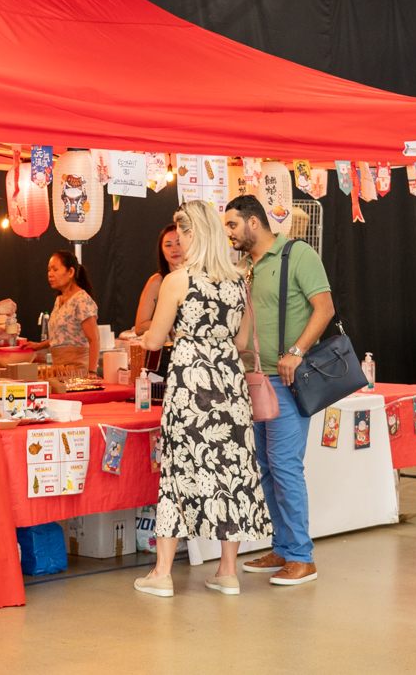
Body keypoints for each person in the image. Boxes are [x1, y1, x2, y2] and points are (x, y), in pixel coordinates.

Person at [134, 200, 271, 598]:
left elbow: (155, 339)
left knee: (179, 470)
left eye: (182, 233)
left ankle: (162, 574)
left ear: (193, 234)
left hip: (190, 383)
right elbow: (243, 342)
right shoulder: (238, 281)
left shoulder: (179, 280)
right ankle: (227, 571)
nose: (178, 241)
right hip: (228, 382)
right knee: (232, 473)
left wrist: (159, 337)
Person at [223, 194, 334, 587]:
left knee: (285, 467)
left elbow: (325, 308)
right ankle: (284, 547)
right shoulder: (246, 268)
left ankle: (303, 556)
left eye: (233, 225)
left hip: (287, 380)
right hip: (254, 380)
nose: (230, 233)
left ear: (254, 222)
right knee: (267, 468)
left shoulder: (296, 255)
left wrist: (296, 352)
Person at [29, 251, 100, 375]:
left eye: (55, 270)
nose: (50, 274)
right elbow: (62, 337)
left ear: (71, 272)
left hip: (77, 370)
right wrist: (39, 346)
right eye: (48, 270)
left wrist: (92, 372)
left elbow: (94, 339)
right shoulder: (59, 300)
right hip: (60, 369)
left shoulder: (81, 299)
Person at [132, 224, 184, 335]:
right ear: (161, 250)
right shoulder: (157, 281)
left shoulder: (199, 279)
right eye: (168, 245)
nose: (174, 249)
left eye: (179, 243)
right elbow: (140, 327)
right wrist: (169, 326)